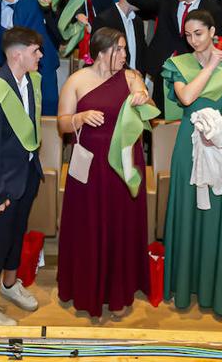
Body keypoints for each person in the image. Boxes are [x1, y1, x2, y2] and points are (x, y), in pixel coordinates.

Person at [56, 27, 154, 318]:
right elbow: (61, 124)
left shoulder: (132, 77)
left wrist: (143, 98)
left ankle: (119, 288)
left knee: (120, 224)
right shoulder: (76, 80)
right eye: (119, 50)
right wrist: (79, 117)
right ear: (101, 52)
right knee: (88, 225)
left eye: (125, 49)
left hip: (123, 163)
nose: (125, 55)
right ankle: (86, 287)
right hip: (89, 165)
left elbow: (149, 108)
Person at [162, 9, 222, 317]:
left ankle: (218, 290)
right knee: (188, 211)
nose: (193, 40)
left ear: (213, 31)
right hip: (188, 146)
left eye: (198, 33)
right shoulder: (178, 65)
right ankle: (184, 287)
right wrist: (211, 64)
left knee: (219, 216)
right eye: (188, 35)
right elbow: (187, 98)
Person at [0, 26, 46, 327]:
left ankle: (10, 283)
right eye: (35, 51)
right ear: (18, 55)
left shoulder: (31, 81)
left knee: (17, 234)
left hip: (27, 174)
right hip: (3, 184)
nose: (40, 55)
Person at [124, 0, 222, 108]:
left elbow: (218, 37)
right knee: (161, 120)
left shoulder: (211, 9)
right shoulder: (166, 1)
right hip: (162, 70)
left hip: (193, 74)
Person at [0, 0, 60, 114]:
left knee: (50, 108)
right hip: (18, 75)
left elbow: (51, 2)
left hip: (44, 65)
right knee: (24, 112)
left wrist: (48, 0)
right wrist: (13, 64)